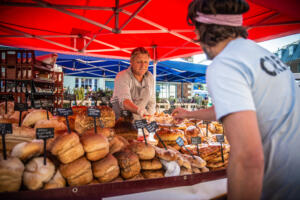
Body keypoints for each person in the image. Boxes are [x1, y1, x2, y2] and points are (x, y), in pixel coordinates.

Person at [172, 0, 300, 199]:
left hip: (279, 189)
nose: (196, 37)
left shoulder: (225, 64)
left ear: (205, 29)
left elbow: (247, 158)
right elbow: (238, 107)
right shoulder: (263, 55)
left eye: (196, 30)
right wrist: (189, 114)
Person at [111, 47, 155, 120]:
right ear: (131, 62)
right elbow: (125, 101)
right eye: (139, 62)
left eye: (146, 62)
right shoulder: (122, 76)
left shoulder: (150, 76)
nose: (143, 65)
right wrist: (139, 110)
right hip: (122, 122)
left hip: (141, 122)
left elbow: (152, 101)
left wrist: (150, 118)